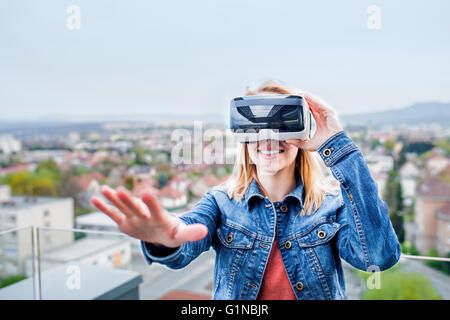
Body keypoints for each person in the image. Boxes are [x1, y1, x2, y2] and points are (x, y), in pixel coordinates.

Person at [91, 81, 401, 300]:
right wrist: (165, 240)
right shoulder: (222, 203)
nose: (267, 135)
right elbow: (185, 240)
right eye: (253, 123)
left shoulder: (330, 206)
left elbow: (378, 257)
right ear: (243, 139)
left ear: (300, 135)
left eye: (281, 122)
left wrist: (335, 142)